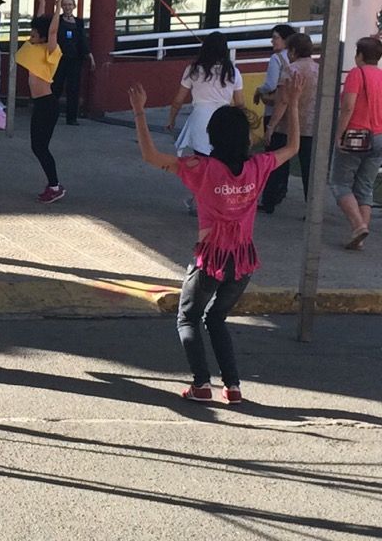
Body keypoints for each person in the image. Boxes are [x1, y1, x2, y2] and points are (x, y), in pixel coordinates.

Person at [128, 73, 302, 405]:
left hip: (211, 259)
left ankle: (201, 384)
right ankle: (232, 387)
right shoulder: (258, 166)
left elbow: (151, 156)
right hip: (244, 261)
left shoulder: (201, 168)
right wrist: (292, 104)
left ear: (212, 137)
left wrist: (139, 112)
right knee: (216, 318)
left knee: (188, 316)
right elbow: (292, 147)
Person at [166, 32, 244, 214]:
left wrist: (172, 119)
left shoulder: (193, 70)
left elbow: (178, 100)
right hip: (225, 120)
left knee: (203, 164)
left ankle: (201, 200)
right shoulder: (233, 71)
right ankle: (218, 201)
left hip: (200, 119)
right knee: (222, 164)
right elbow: (240, 104)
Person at [330, 36, 382, 250]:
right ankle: (360, 236)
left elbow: (348, 106)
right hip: (379, 136)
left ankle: (358, 225)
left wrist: (339, 134)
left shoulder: (356, 73)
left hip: (356, 135)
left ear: (359, 55)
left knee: (340, 183)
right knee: (365, 186)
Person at [16, 0, 64, 203]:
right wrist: (42, 3)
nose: (31, 37)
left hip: (47, 104)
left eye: (35, 35)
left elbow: (51, 31)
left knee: (40, 147)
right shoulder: (35, 46)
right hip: (40, 104)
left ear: (42, 37)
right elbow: (40, 23)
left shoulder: (51, 50)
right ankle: (53, 184)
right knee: (38, 146)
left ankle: (55, 186)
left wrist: (57, 8)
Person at [268, 33, 319, 201]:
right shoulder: (318, 70)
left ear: (293, 50)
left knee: (278, 163)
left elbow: (283, 101)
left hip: (287, 125)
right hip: (310, 126)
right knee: (308, 169)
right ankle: (311, 204)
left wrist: (271, 126)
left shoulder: (291, 69)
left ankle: (272, 198)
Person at [255, 24, 297, 213]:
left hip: (274, 111)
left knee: (271, 155)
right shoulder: (296, 60)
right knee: (286, 153)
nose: (272, 41)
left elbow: (271, 84)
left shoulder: (276, 58)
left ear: (285, 39)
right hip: (291, 113)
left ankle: (269, 198)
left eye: (275, 37)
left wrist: (259, 90)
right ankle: (281, 189)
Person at [51, 0, 95, 126]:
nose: (67, 7)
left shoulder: (79, 22)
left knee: (74, 88)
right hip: (60, 58)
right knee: (56, 87)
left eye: (70, 4)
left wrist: (90, 56)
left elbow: (83, 40)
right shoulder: (57, 20)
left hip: (75, 59)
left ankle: (71, 118)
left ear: (74, 6)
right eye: (64, 5)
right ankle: (50, 114)